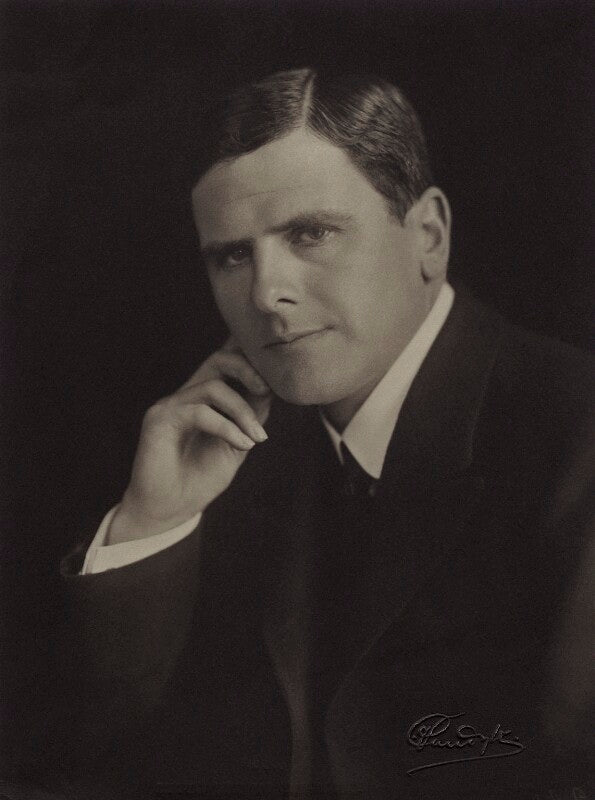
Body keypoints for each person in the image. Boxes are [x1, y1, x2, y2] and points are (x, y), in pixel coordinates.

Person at [56, 69, 593, 799]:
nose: (266, 293)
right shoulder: (228, 447)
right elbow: (113, 758)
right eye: (232, 255)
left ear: (428, 237)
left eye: (310, 233)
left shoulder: (574, 439)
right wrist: (153, 522)